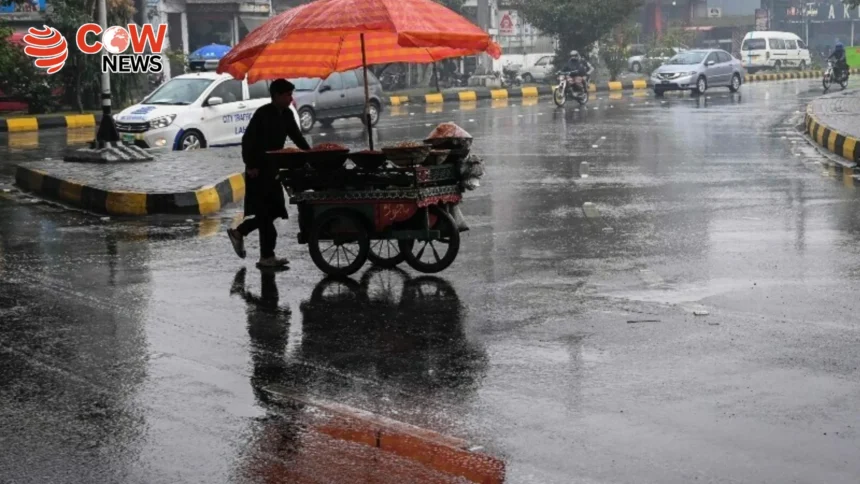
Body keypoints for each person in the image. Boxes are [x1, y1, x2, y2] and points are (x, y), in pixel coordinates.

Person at [228, 79, 311, 269]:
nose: (291, 98)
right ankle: (266, 256)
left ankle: (240, 232)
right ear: (277, 95)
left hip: (273, 169)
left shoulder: (287, 114)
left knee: (273, 211)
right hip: (257, 170)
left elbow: (297, 138)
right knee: (265, 214)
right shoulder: (262, 114)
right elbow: (248, 140)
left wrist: (312, 155)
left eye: (291, 94)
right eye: (288, 95)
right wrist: (250, 165)